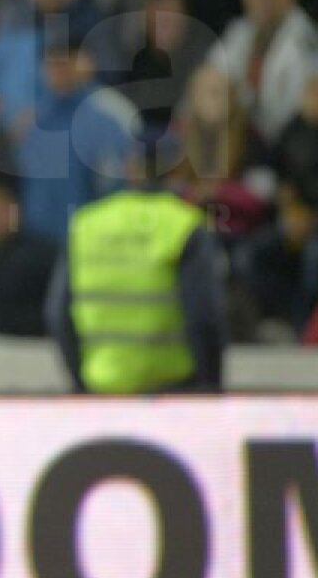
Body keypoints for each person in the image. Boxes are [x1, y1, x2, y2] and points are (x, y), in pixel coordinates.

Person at [44, 138, 227, 394]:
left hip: (103, 389)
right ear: (178, 172)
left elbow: (58, 314)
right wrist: (209, 388)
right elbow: (204, 317)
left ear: (130, 169)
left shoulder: (86, 224)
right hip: (174, 391)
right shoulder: (185, 225)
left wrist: (82, 383)